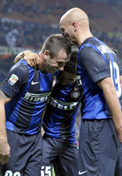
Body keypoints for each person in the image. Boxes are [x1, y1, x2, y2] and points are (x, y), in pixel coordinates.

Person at [59, 8, 122, 175]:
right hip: (110, 124)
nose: (63, 34)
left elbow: (109, 87)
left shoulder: (87, 50)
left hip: (97, 124)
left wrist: (120, 126)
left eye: (63, 29)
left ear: (74, 25)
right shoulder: (107, 50)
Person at [0, 34, 71, 176]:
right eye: (59, 63)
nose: (61, 68)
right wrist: (3, 141)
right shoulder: (22, 70)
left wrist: (25, 52)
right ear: (46, 54)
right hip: (13, 136)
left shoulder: (53, 72)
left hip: (34, 139)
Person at [41, 47, 82, 176]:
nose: (65, 82)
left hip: (68, 140)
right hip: (46, 138)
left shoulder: (82, 84)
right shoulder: (50, 77)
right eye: (64, 78)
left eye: (70, 80)